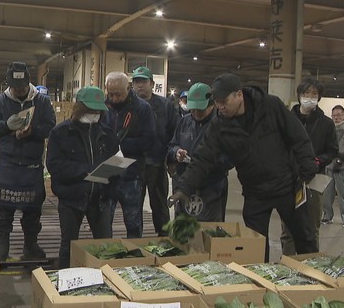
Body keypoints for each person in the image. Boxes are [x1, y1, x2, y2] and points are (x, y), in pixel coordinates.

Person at [168, 73, 317, 261]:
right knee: (255, 246)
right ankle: (260, 280)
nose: (220, 107)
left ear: (239, 95)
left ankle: (314, 274)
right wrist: (184, 188)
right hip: (255, 192)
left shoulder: (270, 106)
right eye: (217, 102)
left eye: (224, 101)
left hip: (286, 186)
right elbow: (202, 158)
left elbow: (298, 136)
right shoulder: (219, 125)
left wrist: (307, 169)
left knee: (305, 237)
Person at [0, 62, 56, 262]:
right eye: (15, 87)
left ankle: (31, 245)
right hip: (8, 161)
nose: (19, 91)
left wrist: (32, 131)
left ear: (28, 82)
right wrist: (6, 126)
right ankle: (2, 245)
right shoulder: (0, 101)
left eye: (22, 87)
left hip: (32, 164)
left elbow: (51, 126)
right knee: (4, 208)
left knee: (33, 210)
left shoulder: (41, 102)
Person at [46, 86, 119, 268]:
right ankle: (65, 284)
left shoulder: (107, 134)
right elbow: (55, 165)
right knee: (69, 246)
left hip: (100, 200)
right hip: (71, 199)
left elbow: (116, 161)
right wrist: (87, 170)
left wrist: (114, 174)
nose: (93, 113)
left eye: (97, 110)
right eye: (89, 109)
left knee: (105, 247)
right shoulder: (60, 133)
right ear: (79, 107)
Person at [281, 77, 338, 255]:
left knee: (312, 227)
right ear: (299, 95)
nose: (309, 97)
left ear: (319, 97)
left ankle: (310, 266)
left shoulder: (326, 123)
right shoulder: (286, 119)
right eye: (306, 93)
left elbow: (332, 150)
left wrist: (318, 161)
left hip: (313, 181)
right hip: (289, 180)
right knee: (288, 229)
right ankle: (288, 266)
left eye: (314, 94)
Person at [167, 82, 231, 221]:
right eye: (193, 109)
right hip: (184, 181)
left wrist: (205, 163)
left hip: (211, 186)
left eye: (200, 110)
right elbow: (172, 145)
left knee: (209, 231)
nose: (195, 113)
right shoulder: (185, 122)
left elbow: (229, 158)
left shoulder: (222, 125)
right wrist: (176, 152)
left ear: (211, 104)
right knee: (183, 229)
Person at [103, 72, 155, 238]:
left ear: (128, 88)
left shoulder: (142, 108)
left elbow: (149, 141)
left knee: (133, 222)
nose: (114, 98)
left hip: (132, 173)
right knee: (103, 222)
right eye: (110, 94)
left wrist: (121, 146)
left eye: (118, 94)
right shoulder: (103, 107)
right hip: (107, 173)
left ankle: (135, 256)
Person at [131, 66, 177, 236]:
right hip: (134, 164)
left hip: (157, 163)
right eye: (136, 82)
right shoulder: (129, 105)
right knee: (134, 204)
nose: (140, 85)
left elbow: (174, 133)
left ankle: (164, 236)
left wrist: (171, 161)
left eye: (143, 81)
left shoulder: (166, 105)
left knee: (159, 204)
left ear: (152, 83)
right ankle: (136, 238)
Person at [323, 105, 344, 228]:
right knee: (327, 195)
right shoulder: (329, 130)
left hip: (343, 168)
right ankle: (327, 216)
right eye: (334, 116)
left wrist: (340, 159)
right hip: (329, 167)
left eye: (339, 115)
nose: (336, 118)